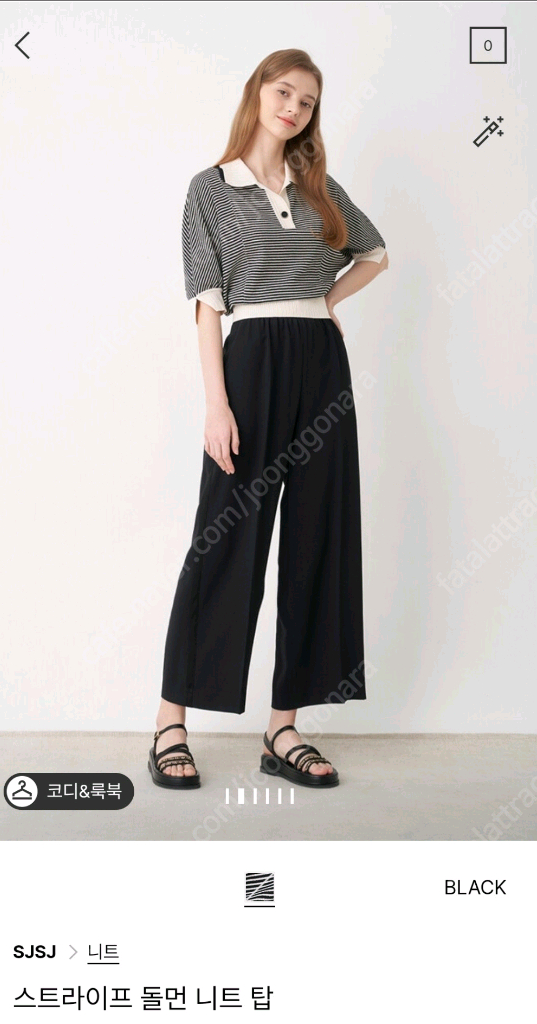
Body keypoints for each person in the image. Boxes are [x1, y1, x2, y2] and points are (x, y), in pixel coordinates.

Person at [149, 48, 389, 790]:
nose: (293, 108)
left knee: (319, 540)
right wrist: (217, 404)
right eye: (284, 92)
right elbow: (207, 305)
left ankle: (283, 727)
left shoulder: (319, 188)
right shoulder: (211, 189)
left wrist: (325, 302)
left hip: (322, 366)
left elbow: (375, 254)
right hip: (250, 362)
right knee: (224, 540)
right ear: (257, 93)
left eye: (307, 101)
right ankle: (169, 722)